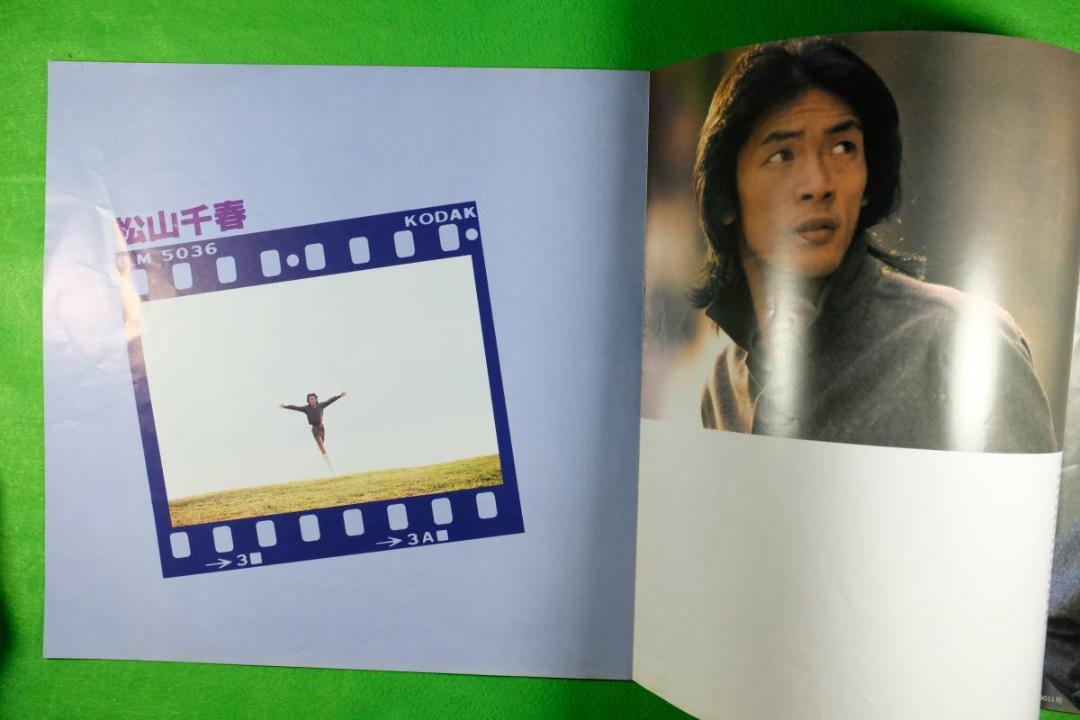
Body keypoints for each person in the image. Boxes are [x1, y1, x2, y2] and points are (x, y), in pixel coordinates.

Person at [692, 38, 1056, 453]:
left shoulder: (955, 342)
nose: (819, 184)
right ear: (725, 198)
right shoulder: (723, 383)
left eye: (843, 148)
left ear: (868, 182)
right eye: (782, 155)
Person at [280, 391, 347, 456]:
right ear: (308, 401)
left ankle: (324, 452)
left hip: (321, 427)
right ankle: (323, 452)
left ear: (316, 399)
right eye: (310, 399)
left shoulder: (320, 405)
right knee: (319, 441)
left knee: (322, 442)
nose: (312, 400)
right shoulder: (306, 408)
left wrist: (340, 396)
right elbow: (296, 407)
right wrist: (285, 406)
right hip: (314, 428)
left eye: (313, 399)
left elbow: (330, 401)